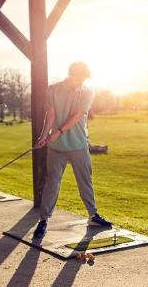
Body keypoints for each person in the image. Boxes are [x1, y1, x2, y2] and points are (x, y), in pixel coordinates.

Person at [31, 61, 112, 239]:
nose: (81, 82)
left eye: (83, 78)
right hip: (56, 147)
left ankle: (93, 215)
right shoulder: (52, 89)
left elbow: (77, 116)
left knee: (85, 181)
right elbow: (50, 114)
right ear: (71, 74)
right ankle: (43, 220)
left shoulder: (87, 91)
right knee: (52, 182)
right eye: (79, 78)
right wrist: (44, 135)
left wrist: (58, 132)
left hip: (78, 145)